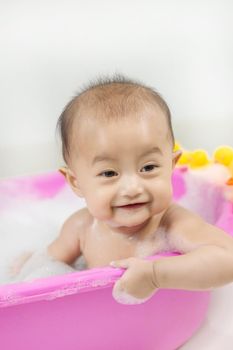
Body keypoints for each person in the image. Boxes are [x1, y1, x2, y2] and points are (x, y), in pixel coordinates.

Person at [14, 75, 233, 303]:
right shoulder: (80, 227)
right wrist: (29, 266)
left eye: (148, 167)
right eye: (109, 173)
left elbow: (227, 258)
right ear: (76, 183)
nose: (132, 187)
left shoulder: (172, 223)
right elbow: (42, 273)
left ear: (171, 165)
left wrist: (156, 275)